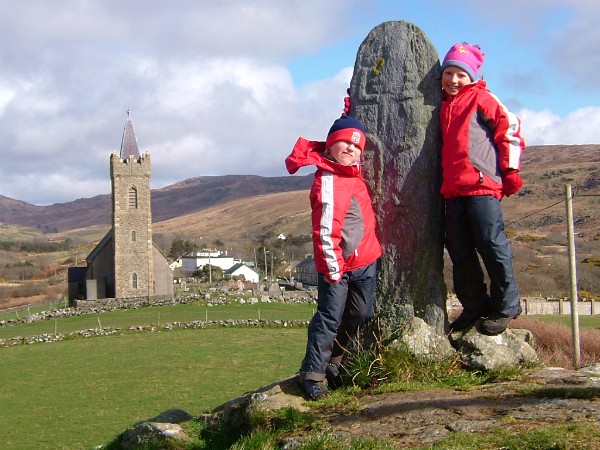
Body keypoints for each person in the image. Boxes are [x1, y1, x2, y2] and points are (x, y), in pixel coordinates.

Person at [285, 115, 382, 399]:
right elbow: (326, 231)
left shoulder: (350, 170)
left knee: (361, 313)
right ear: (329, 146)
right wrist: (333, 269)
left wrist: (350, 105)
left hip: (365, 261)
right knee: (329, 318)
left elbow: (351, 136)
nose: (351, 149)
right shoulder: (329, 181)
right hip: (337, 267)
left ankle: (335, 361)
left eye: (357, 146)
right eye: (344, 143)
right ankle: (312, 374)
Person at [439, 43, 525, 336]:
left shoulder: (482, 98)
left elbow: (510, 129)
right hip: (453, 191)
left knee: (491, 244)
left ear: (472, 76)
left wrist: (510, 170)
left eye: (460, 74)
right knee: (460, 251)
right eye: (448, 73)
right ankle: (475, 304)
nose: (453, 80)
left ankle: (508, 304)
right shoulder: (440, 105)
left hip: (481, 185)